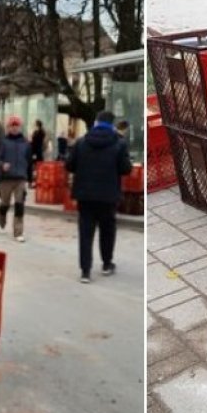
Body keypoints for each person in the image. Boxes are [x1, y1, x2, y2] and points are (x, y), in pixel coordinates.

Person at [66, 110, 132, 283]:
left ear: (95, 122)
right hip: (108, 196)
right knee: (107, 230)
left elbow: (69, 165)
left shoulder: (81, 142)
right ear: (112, 125)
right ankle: (106, 264)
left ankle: (85, 272)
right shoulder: (119, 143)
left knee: (85, 233)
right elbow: (126, 169)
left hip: (85, 196)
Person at [0, 116, 32, 243]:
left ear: (20, 127)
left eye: (17, 125)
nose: (14, 128)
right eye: (12, 125)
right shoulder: (3, 142)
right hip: (6, 178)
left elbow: (29, 161)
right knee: (5, 203)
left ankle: (18, 232)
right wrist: (2, 165)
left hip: (21, 178)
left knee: (19, 204)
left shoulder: (26, 143)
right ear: (8, 127)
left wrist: (30, 178)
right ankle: (2, 217)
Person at [29, 119, 46, 187]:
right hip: (36, 152)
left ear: (37, 125)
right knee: (35, 168)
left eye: (34, 124)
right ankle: (35, 181)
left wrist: (31, 139)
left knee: (36, 168)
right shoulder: (37, 132)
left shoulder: (39, 133)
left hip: (36, 152)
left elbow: (35, 143)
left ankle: (36, 182)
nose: (33, 126)